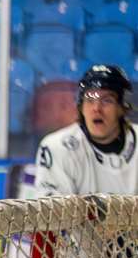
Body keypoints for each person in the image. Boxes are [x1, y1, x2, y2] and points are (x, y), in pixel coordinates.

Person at [33, 64, 138, 197]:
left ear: (122, 108)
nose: (96, 108)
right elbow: (54, 214)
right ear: (81, 107)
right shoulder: (57, 148)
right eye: (89, 100)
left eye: (106, 100)